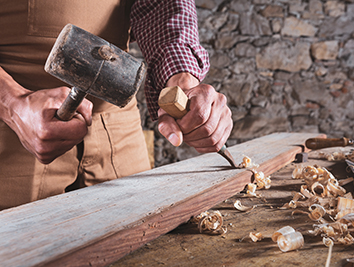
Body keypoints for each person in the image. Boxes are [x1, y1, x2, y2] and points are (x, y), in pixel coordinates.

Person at [0, 0, 233, 210]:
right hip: (15, 136)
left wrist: (182, 80)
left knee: (143, 246)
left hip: (118, 133)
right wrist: (11, 102)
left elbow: (160, 6)